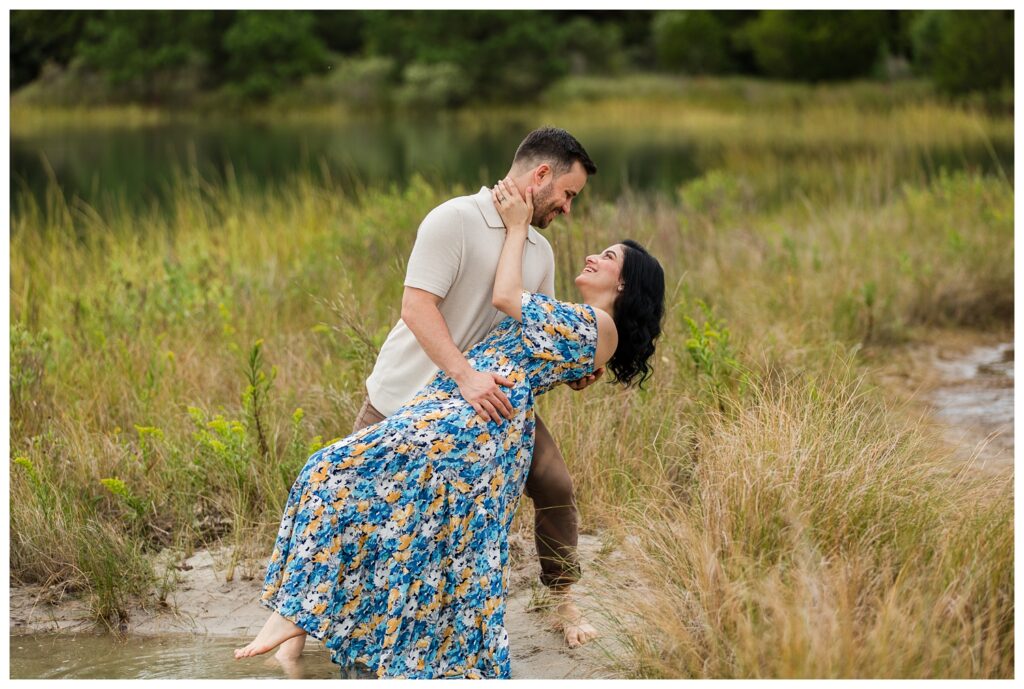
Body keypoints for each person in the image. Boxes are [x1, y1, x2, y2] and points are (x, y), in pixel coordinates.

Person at [233, 179, 666, 678]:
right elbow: (553, 357)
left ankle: (301, 617)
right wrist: (577, 373)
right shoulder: (582, 320)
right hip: (467, 413)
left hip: (473, 424)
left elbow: (507, 297)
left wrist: (517, 226)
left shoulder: (597, 325)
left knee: (334, 470)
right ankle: (330, 629)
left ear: (624, 285)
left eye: (607, 257)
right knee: (433, 530)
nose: (592, 255)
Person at [275, 127, 602, 669]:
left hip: (488, 412)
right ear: (540, 176)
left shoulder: (538, 251)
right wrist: (465, 374)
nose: (568, 208)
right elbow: (416, 308)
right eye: (568, 194)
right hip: (405, 396)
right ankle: (296, 642)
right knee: (350, 502)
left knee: (555, 484)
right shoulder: (454, 220)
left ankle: (563, 600)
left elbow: (534, 334)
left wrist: (571, 374)